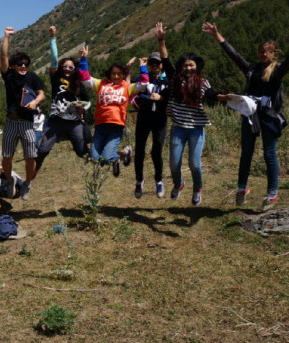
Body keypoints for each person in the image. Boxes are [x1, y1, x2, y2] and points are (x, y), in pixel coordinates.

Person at [202, 22, 289, 211]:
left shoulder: (277, 70)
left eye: (267, 51)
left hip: (269, 117)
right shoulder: (251, 69)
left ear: (274, 53)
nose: (263, 54)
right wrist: (217, 35)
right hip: (251, 114)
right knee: (246, 152)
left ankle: (272, 193)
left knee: (269, 153)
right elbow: (234, 55)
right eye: (261, 51)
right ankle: (241, 189)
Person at [166, 50, 228, 206]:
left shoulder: (203, 82)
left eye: (191, 65)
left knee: (194, 163)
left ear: (197, 66)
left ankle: (197, 188)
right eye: (185, 65)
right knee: (174, 163)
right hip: (178, 128)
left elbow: (211, 94)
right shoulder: (175, 80)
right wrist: (161, 40)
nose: (188, 68)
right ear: (181, 67)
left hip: (196, 128)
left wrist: (223, 97)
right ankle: (178, 183)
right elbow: (165, 60)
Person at [79, 46, 148, 177]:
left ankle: (116, 158)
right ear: (109, 74)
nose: (116, 76)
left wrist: (143, 67)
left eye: (119, 74)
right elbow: (84, 78)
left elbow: (144, 84)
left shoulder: (127, 87)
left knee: (106, 158)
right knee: (94, 158)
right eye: (113, 73)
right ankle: (122, 153)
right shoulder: (101, 84)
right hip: (100, 126)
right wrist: (83, 59)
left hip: (116, 126)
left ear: (123, 75)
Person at [35, 26, 92, 173]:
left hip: (74, 122)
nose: (67, 69)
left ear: (74, 70)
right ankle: (33, 172)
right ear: (61, 67)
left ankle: (109, 158)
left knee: (81, 152)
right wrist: (52, 38)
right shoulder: (56, 78)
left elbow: (88, 101)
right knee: (43, 150)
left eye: (71, 67)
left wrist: (83, 107)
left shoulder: (78, 84)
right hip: (56, 121)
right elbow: (54, 59)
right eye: (65, 66)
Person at [0, 26, 45, 200]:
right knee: (7, 156)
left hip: (27, 123)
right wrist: (6, 37)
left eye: (26, 63)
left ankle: (27, 183)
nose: (24, 66)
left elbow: (42, 94)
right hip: (11, 122)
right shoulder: (8, 76)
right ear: (13, 66)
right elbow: (3, 56)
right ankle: (9, 180)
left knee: (30, 157)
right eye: (20, 63)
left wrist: (35, 102)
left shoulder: (32, 76)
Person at [132, 23, 174, 199]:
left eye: (157, 62)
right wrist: (144, 99)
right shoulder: (144, 77)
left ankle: (159, 181)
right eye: (152, 63)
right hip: (143, 119)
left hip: (160, 121)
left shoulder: (168, 80)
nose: (155, 65)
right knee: (139, 151)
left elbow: (172, 96)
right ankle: (139, 181)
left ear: (162, 65)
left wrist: (161, 98)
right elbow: (130, 90)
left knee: (156, 152)